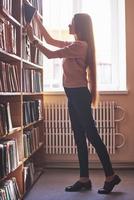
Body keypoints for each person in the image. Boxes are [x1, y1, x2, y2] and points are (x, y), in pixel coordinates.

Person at [26, 12, 121, 194]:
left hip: (78, 95)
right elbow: (50, 39)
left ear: (79, 26)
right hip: (73, 95)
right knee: (79, 137)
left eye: (72, 23)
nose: (68, 25)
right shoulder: (74, 44)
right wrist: (36, 18)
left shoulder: (80, 46)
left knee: (92, 136)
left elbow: (50, 54)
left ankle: (111, 176)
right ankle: (84, 179)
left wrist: (33, 40)